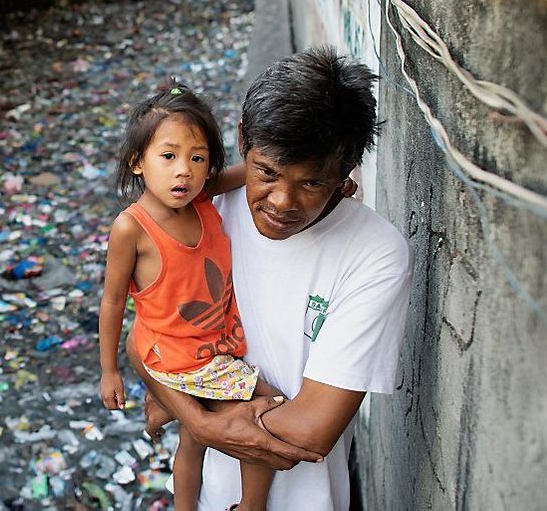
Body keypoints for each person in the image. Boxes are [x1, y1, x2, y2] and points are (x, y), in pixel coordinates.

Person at [126, 47, 412, 510]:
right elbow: (140, 340)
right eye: (267, 172)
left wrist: (194, 415)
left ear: (346, 172)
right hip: (204, 492)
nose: (282, 201)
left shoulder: (374, 254)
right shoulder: (203, 212)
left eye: (312, 183)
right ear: (243, 140)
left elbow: (311, 430)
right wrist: (192, 416)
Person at [97, 85, 281, 511]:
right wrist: (109, 370)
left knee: (194, 442)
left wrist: (315, 180)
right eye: (168, 156)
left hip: (202, 348)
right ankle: (252, 507)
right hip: (185, 358)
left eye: (197, 158)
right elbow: (111, 302)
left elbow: (251, 172)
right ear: (137, 162)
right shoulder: (132, 228)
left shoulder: (199, 198)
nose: (184, 170)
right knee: (266, 411)